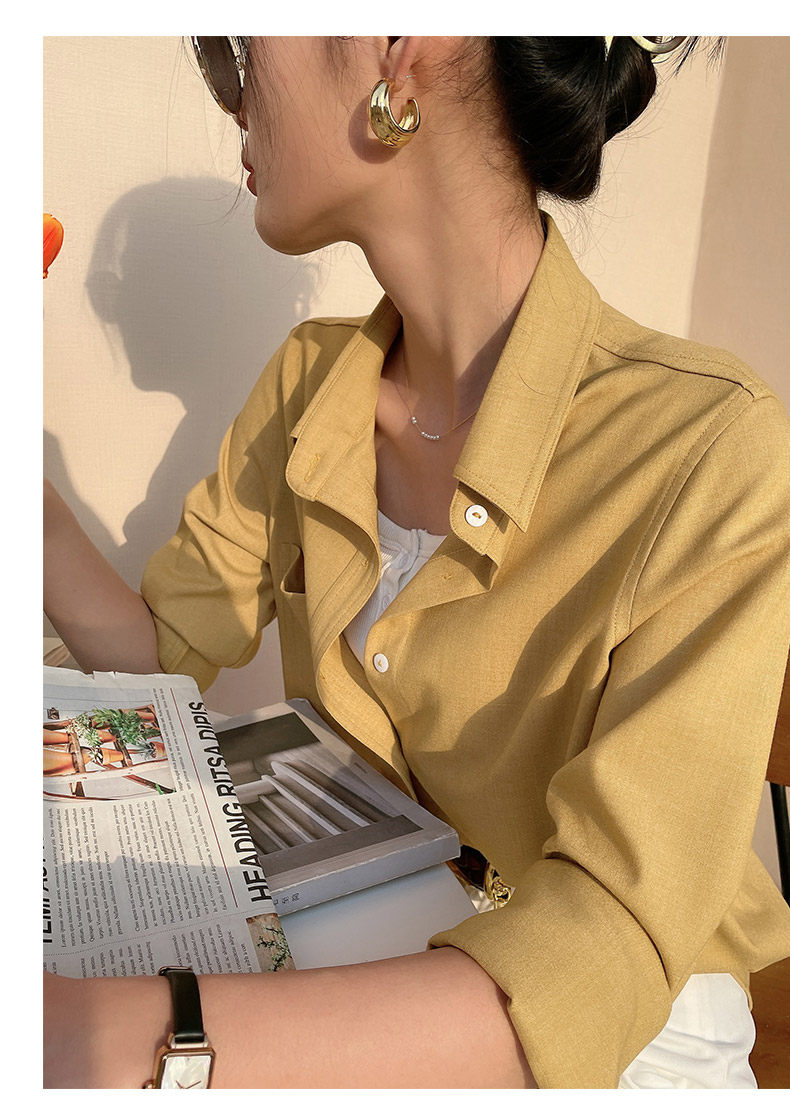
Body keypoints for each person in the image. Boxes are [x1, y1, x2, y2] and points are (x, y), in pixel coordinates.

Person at [44, 36, 790, 1089]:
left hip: (625, 1034)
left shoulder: (706, 445)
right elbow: (161, 659)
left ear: (401, 47)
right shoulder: (308, 383)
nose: (231, 95)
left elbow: (606, 936)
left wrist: (109, 1034)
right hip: (367, 953)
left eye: (237, 44)